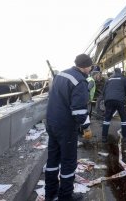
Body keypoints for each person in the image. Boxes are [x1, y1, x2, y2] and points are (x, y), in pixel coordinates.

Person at [45, 53, 93, 201]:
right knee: (68, 162)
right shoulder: (80, 80)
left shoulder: (61, 75)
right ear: (86, 66)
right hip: (65, 127)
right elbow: (79, 110)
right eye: (90, 66)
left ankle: (50, 195)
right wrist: (86, 127)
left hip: (51, 123)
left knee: (52, 160)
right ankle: (65, 197)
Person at [101, 67, 126, 143]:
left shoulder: (108, 79)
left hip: (109, 101)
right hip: (120, 101)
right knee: (124, 119)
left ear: (114, 72)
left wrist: (105, 100)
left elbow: (103, 91)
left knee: (107, 119)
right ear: (120, 72)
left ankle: (104, 137)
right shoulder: (124, 78)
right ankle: (125, 138)